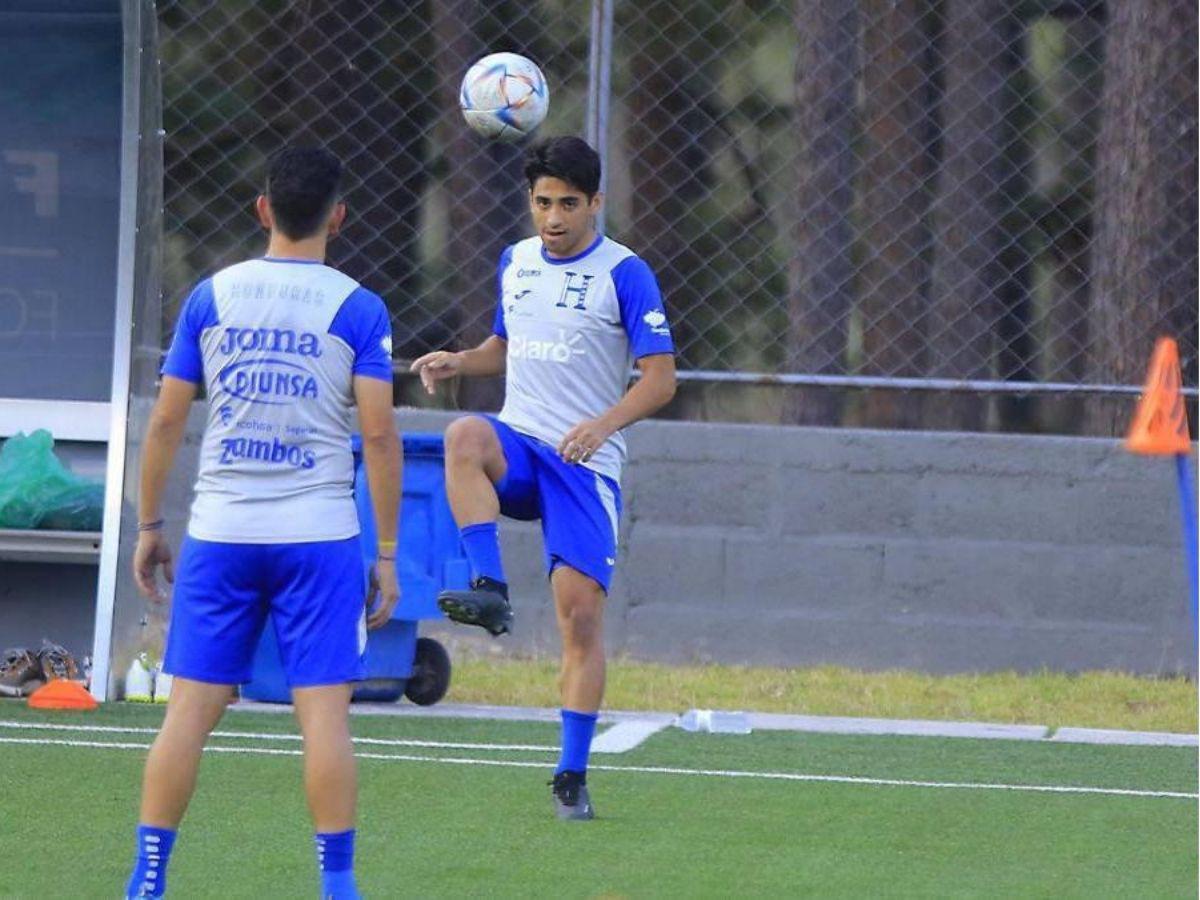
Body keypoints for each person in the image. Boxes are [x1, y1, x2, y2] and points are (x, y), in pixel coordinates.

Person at [124, 146, 401, 899]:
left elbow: (167, 421)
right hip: (318, 537)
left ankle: (148, 881)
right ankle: (338, 890)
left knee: (187, 715)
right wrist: (385, 552)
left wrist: (150, 523)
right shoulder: (359, 307)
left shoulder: (211, 297)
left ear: (262, 209)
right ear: (338, 218)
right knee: (324, 719)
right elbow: (377, 435)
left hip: (222, 532)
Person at [410, 136, 676, 820]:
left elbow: (661, 381)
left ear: (596, 204)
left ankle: (571, 776)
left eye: (567, 204)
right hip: (522, 445)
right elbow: (504, 347)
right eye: (541, 203)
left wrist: (602, 425)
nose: (552, 218)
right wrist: (459, 362)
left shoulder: (627, 273)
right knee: (464, 434)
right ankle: (489, 586)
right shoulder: (516, 262)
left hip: (584, 467)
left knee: (579, 617)